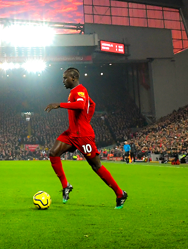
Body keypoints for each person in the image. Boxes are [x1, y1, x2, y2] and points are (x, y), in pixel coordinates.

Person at [45, 68, 128, 209]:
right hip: (72, 134)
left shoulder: (80, 90)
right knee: (53, 153)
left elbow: (81, 105)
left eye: (65, 78)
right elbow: (92, 104)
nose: (63, 81)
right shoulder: (75, 91)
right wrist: (85, 120)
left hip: (83, 136)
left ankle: (120, 194)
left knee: (96, 166)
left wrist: (59, 105)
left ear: (73, 78)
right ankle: (66, 186)